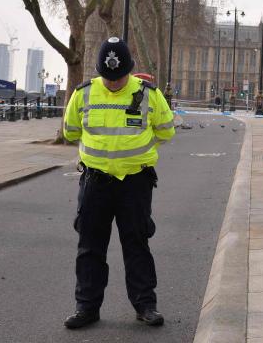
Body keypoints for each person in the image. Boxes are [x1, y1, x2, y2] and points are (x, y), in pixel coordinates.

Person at [61, 37, 175, 329]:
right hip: (95, 181)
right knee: (90, 247)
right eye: (108, 77)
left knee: (136, 244)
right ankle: (86, 308)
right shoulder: (83, 93)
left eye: (119, 77)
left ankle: (145, 305)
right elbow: (71, 131)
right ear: (101, 71)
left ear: (130, 71)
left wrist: (135, 154)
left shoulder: (148, 94)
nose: (113, 83)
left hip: (135, 182)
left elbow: (166, 131)